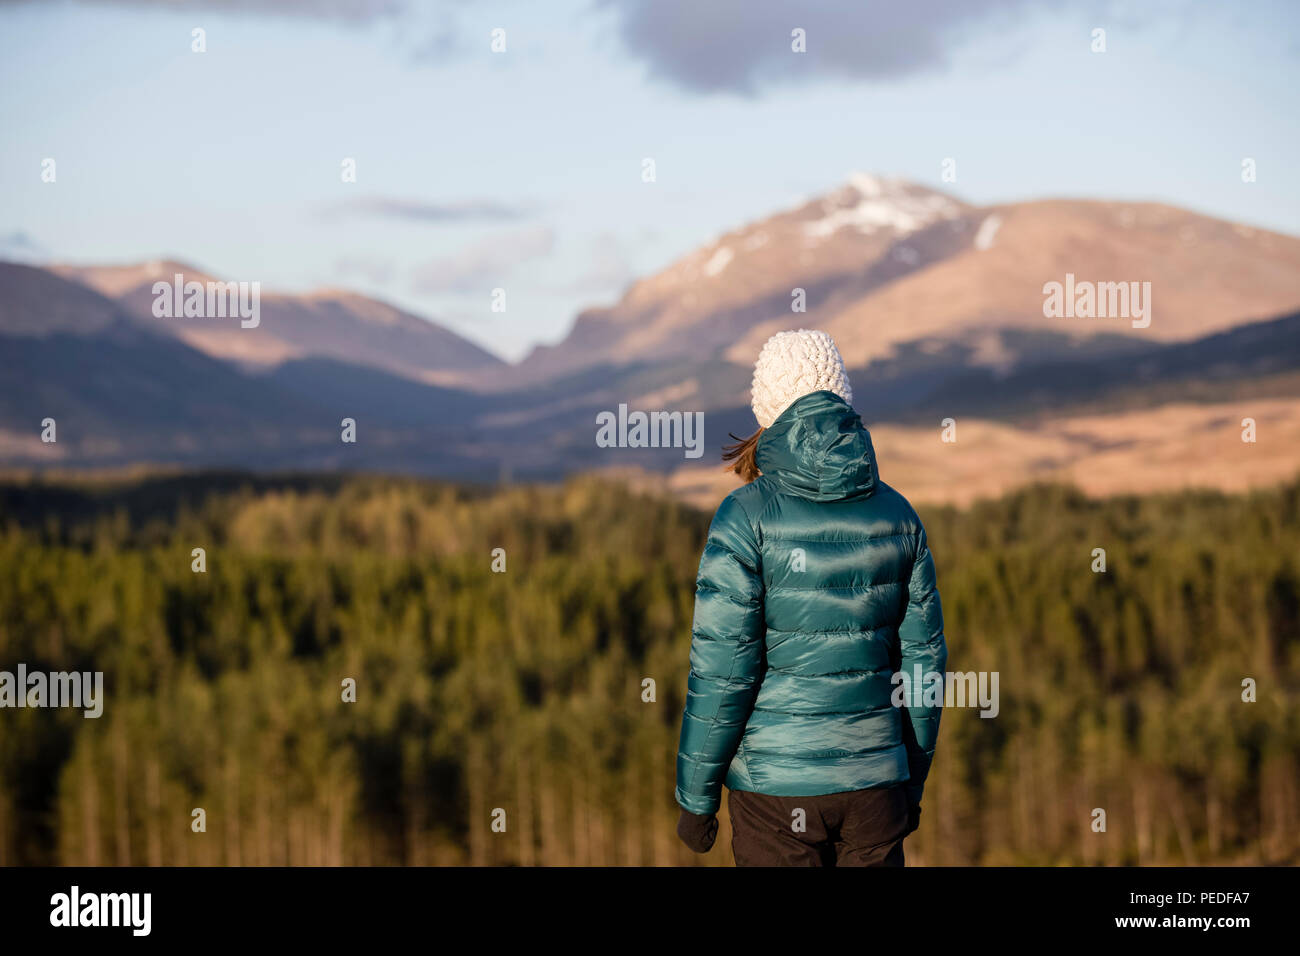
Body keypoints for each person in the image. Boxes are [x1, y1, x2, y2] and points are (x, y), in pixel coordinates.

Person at [674, 329, 947, 866]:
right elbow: (923, 665)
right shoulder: (899, 515)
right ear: (841, 398)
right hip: (876, 788)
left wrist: (697, 797)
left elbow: (723, 670)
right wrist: (908, 781)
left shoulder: (743, 517)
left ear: (767, 412)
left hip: (775, 794)